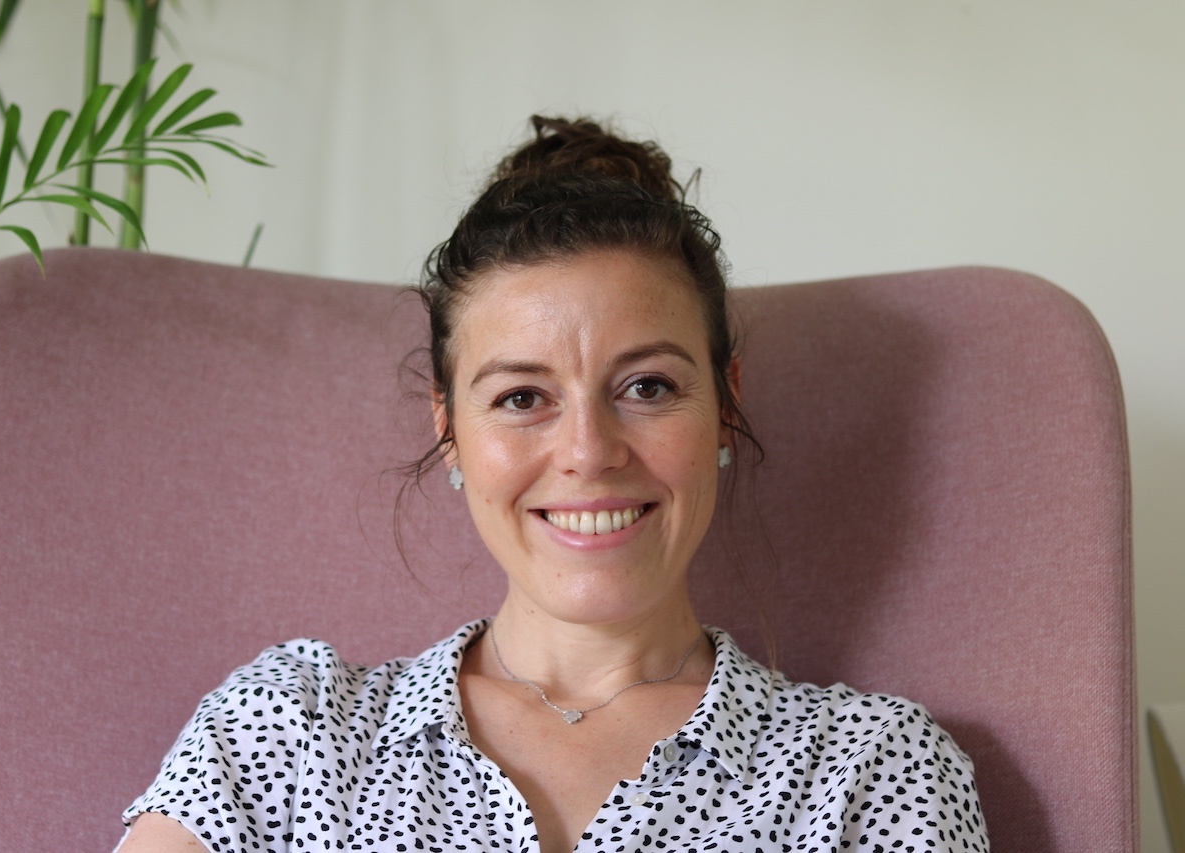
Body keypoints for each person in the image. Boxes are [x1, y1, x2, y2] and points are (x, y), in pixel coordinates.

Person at [115, 116, 988, 853]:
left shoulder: (871, 771)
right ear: (448, 427)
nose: (587, 451)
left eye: (647, 386)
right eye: (522, 397)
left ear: (725, 405)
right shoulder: (286, 731)